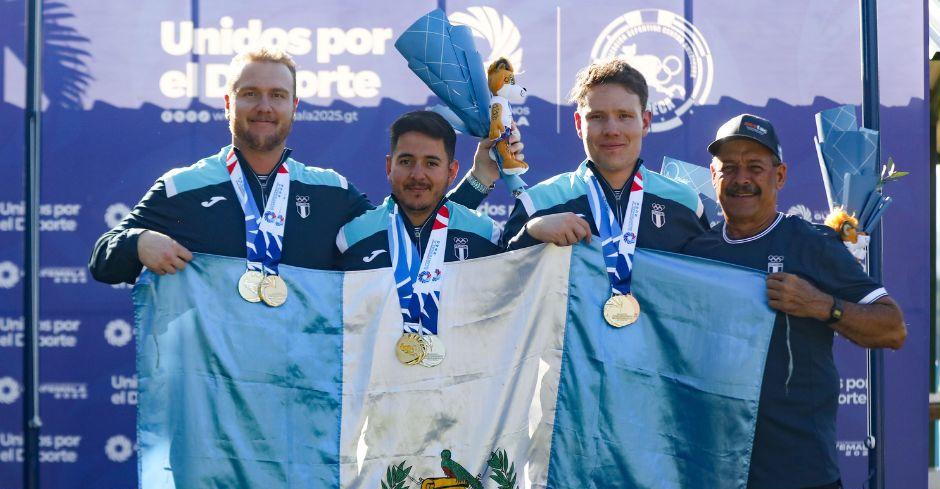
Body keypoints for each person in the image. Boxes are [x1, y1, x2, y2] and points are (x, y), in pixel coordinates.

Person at [683, 114, 907, 489]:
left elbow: (892, 327)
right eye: (728, 167)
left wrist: (822, 305)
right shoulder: (695, 254)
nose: (742, 178)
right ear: (711, 177)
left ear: (779, 177)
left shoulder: (811, 245)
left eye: (755, 167)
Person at [88, 47, 514, 284]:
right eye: (250, 93)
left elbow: (412, 227)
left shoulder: (331, 193)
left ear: (294, 106)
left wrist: (479, 180)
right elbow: (105, 259)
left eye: (276, 95)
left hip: (306, 407)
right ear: (228, 103)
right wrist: (138, 242)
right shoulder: (183, 188)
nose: (263, 106)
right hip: (212, 402)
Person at [499, 58, 706, 252]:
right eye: (597, 117)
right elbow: (499, 282)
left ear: (645, 122)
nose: (611, 130)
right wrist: (530, 234)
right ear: (579, 124)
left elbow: (707, 285)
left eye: (624, 116)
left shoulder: (686, 204)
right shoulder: (537, 204)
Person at [336, 111, 502, 270]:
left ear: (451, 172)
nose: (417, 175)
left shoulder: (486, 235)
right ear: (389, 167)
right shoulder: (352, 238)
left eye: (431, 163)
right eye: (406, 162)